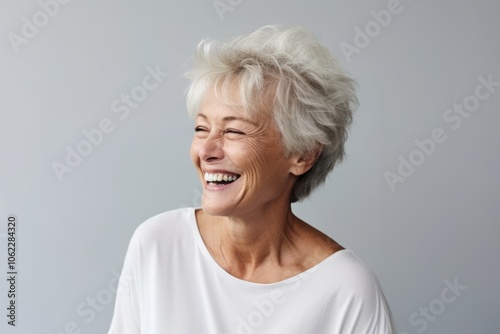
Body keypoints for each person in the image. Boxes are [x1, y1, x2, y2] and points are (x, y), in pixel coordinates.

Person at [108, 25, 396, 333]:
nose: (206, 149)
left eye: (233, 131)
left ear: (302, 154)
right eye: (202, 128)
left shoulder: (346, 291)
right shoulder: (157, 244)